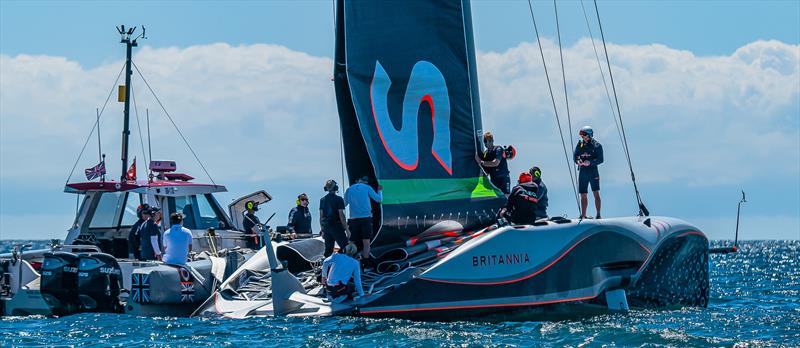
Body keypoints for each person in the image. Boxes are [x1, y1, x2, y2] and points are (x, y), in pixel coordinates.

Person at [344, 176, 382, 265]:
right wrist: (379, 190)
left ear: (357, 181)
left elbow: (344, 204)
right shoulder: (367, 187)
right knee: (366, 242)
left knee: (352, 242)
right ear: (366, 182)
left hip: (353, 220)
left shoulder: (349, 189)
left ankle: (348, 262)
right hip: (365, 219)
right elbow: (379, 199)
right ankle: (365, 263)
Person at [574, 126, 604, 219]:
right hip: (583, 171)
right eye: (582, 136)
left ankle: (598, 214)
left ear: (590, 135)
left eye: (585, 135)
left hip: (593, 171)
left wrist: (590, 162)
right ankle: (583, 215)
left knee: (596, 192)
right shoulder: (580, 144)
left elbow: (601, 160)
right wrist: (577, 161)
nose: (583, 137)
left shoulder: (597, 145)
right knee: (583, 194)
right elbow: (575, 155)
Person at [319, 179, 349, 257]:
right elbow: (341, 215)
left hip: (326, 228)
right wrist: (347, 229)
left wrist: (322, 230)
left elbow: (321, 217)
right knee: (346, 248)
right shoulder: (339, 199)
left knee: (328, 251)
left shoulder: (322, 200)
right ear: (336, 188)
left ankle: (327, 267)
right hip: (337, 227)